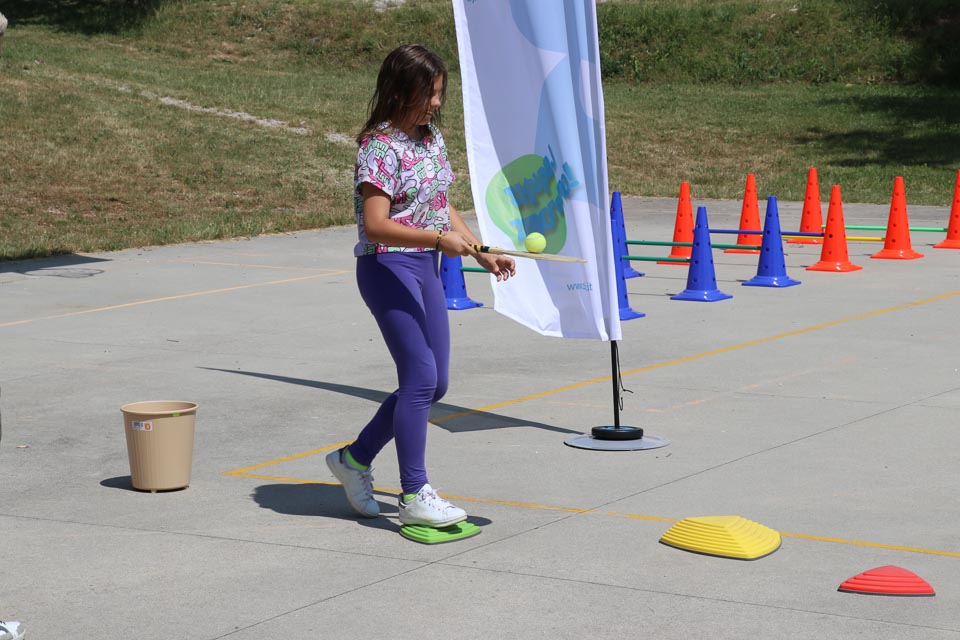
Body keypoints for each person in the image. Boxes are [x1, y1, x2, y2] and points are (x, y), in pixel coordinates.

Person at [326, 44, 515, 528]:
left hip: (425, 265)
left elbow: (439, 203)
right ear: (399, 91)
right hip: (387, 267)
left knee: (436, 383)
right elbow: (376, 225)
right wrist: (437, 239)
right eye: (429, 93)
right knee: (419, 379)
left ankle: (353, 459)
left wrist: (480, 250)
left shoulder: (431, 139)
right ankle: (414, 493)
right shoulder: (379, 148)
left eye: (439, 93)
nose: (436, 103)